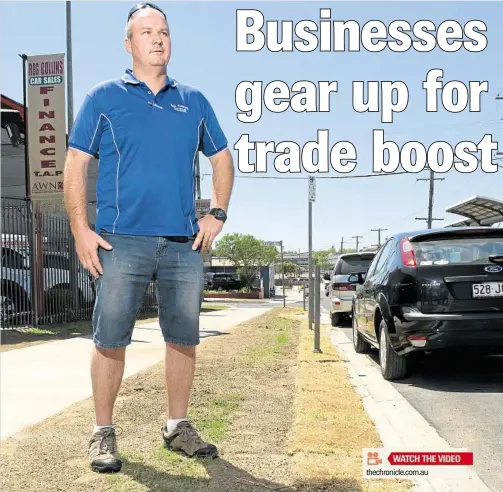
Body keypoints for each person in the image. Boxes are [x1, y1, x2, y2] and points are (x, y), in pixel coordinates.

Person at [63, 2, 234, 473]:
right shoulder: (104, 98)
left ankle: (177, 426)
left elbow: (221, 157)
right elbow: (76, 164)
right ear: (129, 43)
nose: (158, 39)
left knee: (183, 339)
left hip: (183, 244)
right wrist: (81, 229)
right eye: (146, 32)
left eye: (163, 31)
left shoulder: (193, 101)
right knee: (110, 338)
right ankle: (102, 434)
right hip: (121, 242)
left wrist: (216, 213)